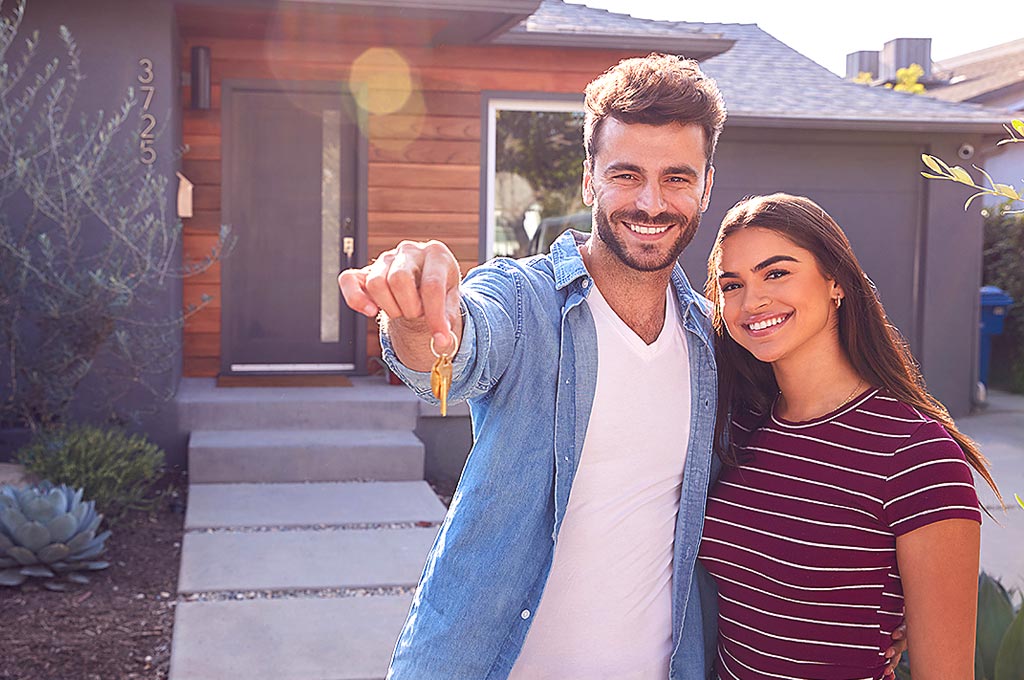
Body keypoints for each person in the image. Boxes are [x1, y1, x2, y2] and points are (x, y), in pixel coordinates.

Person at [340, 56, 906, 678]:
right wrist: (420, 321)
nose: (650, 202)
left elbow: (790, 475)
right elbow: (460, 348)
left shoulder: (715, 342)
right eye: (626, 174)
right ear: (589, 182)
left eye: (676, 178)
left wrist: (874, 599)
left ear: (707, 186)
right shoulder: (525, 302)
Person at [697, 193, 1000, 679]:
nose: (752, 302)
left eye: (776, 273)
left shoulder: (916, 453)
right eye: (732, 285)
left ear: (836, 282)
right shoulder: (738, 430)